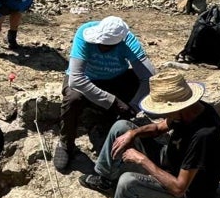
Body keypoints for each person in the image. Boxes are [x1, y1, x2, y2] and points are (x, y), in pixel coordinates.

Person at [79, 70, 220, 198]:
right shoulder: (190, 111)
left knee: (128, 182)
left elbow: (179, 188)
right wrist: (133, 134)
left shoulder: (203, 135)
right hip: (171, 160)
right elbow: (159, 127)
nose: (164, 115)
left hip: (190, 195)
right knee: (121, 128)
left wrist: (141, 160)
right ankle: (105, 178)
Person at [54, 16, 156, 172]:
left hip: (115, 78)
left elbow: (148, 76)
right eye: (99, 43)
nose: (101, 47)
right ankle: (66, 144)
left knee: (135, 83)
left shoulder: (128, 41)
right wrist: (113, 102)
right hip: (86, 78)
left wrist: (134, 106)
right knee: (73, 98)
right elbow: (76, 79)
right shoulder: (84, 33)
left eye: (107, 46)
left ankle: (108, 124)